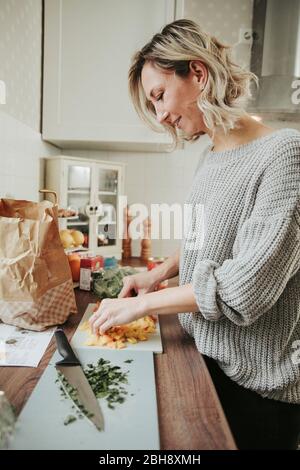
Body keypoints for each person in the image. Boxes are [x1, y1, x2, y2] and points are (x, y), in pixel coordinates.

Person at [89, 19, 300, 449]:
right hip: (205, 358)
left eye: (159, 95)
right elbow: (206, 246)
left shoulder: (285, 155)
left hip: (259, 387)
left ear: (198, 74)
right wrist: (160, 272)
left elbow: (244, 288)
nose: (160, 114)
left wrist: (145, 305)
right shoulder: (211, 158)